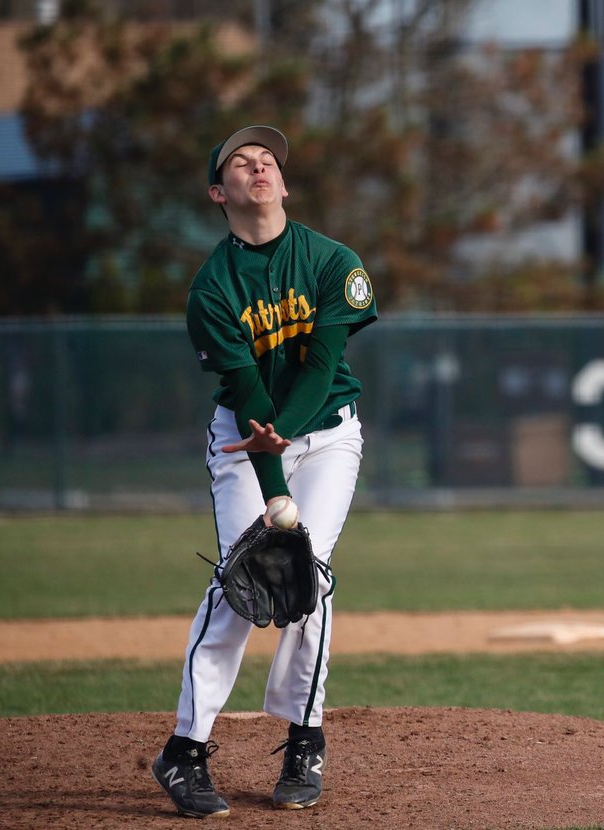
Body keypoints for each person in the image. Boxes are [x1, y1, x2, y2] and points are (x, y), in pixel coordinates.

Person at [152, 125, 378, 817]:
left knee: (311, 573)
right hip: (243, 439)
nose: (258, 167)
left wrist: (285, 438)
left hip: (327, 432)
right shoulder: (212, 290)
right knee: (242, 576)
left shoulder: (332, 261)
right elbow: (248, 393)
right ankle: (185, 750)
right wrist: (275, 493)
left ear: (284, 183)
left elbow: (322, 365)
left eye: (268, 161)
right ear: (218, 193)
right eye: (241, 162)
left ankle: (305, 738)